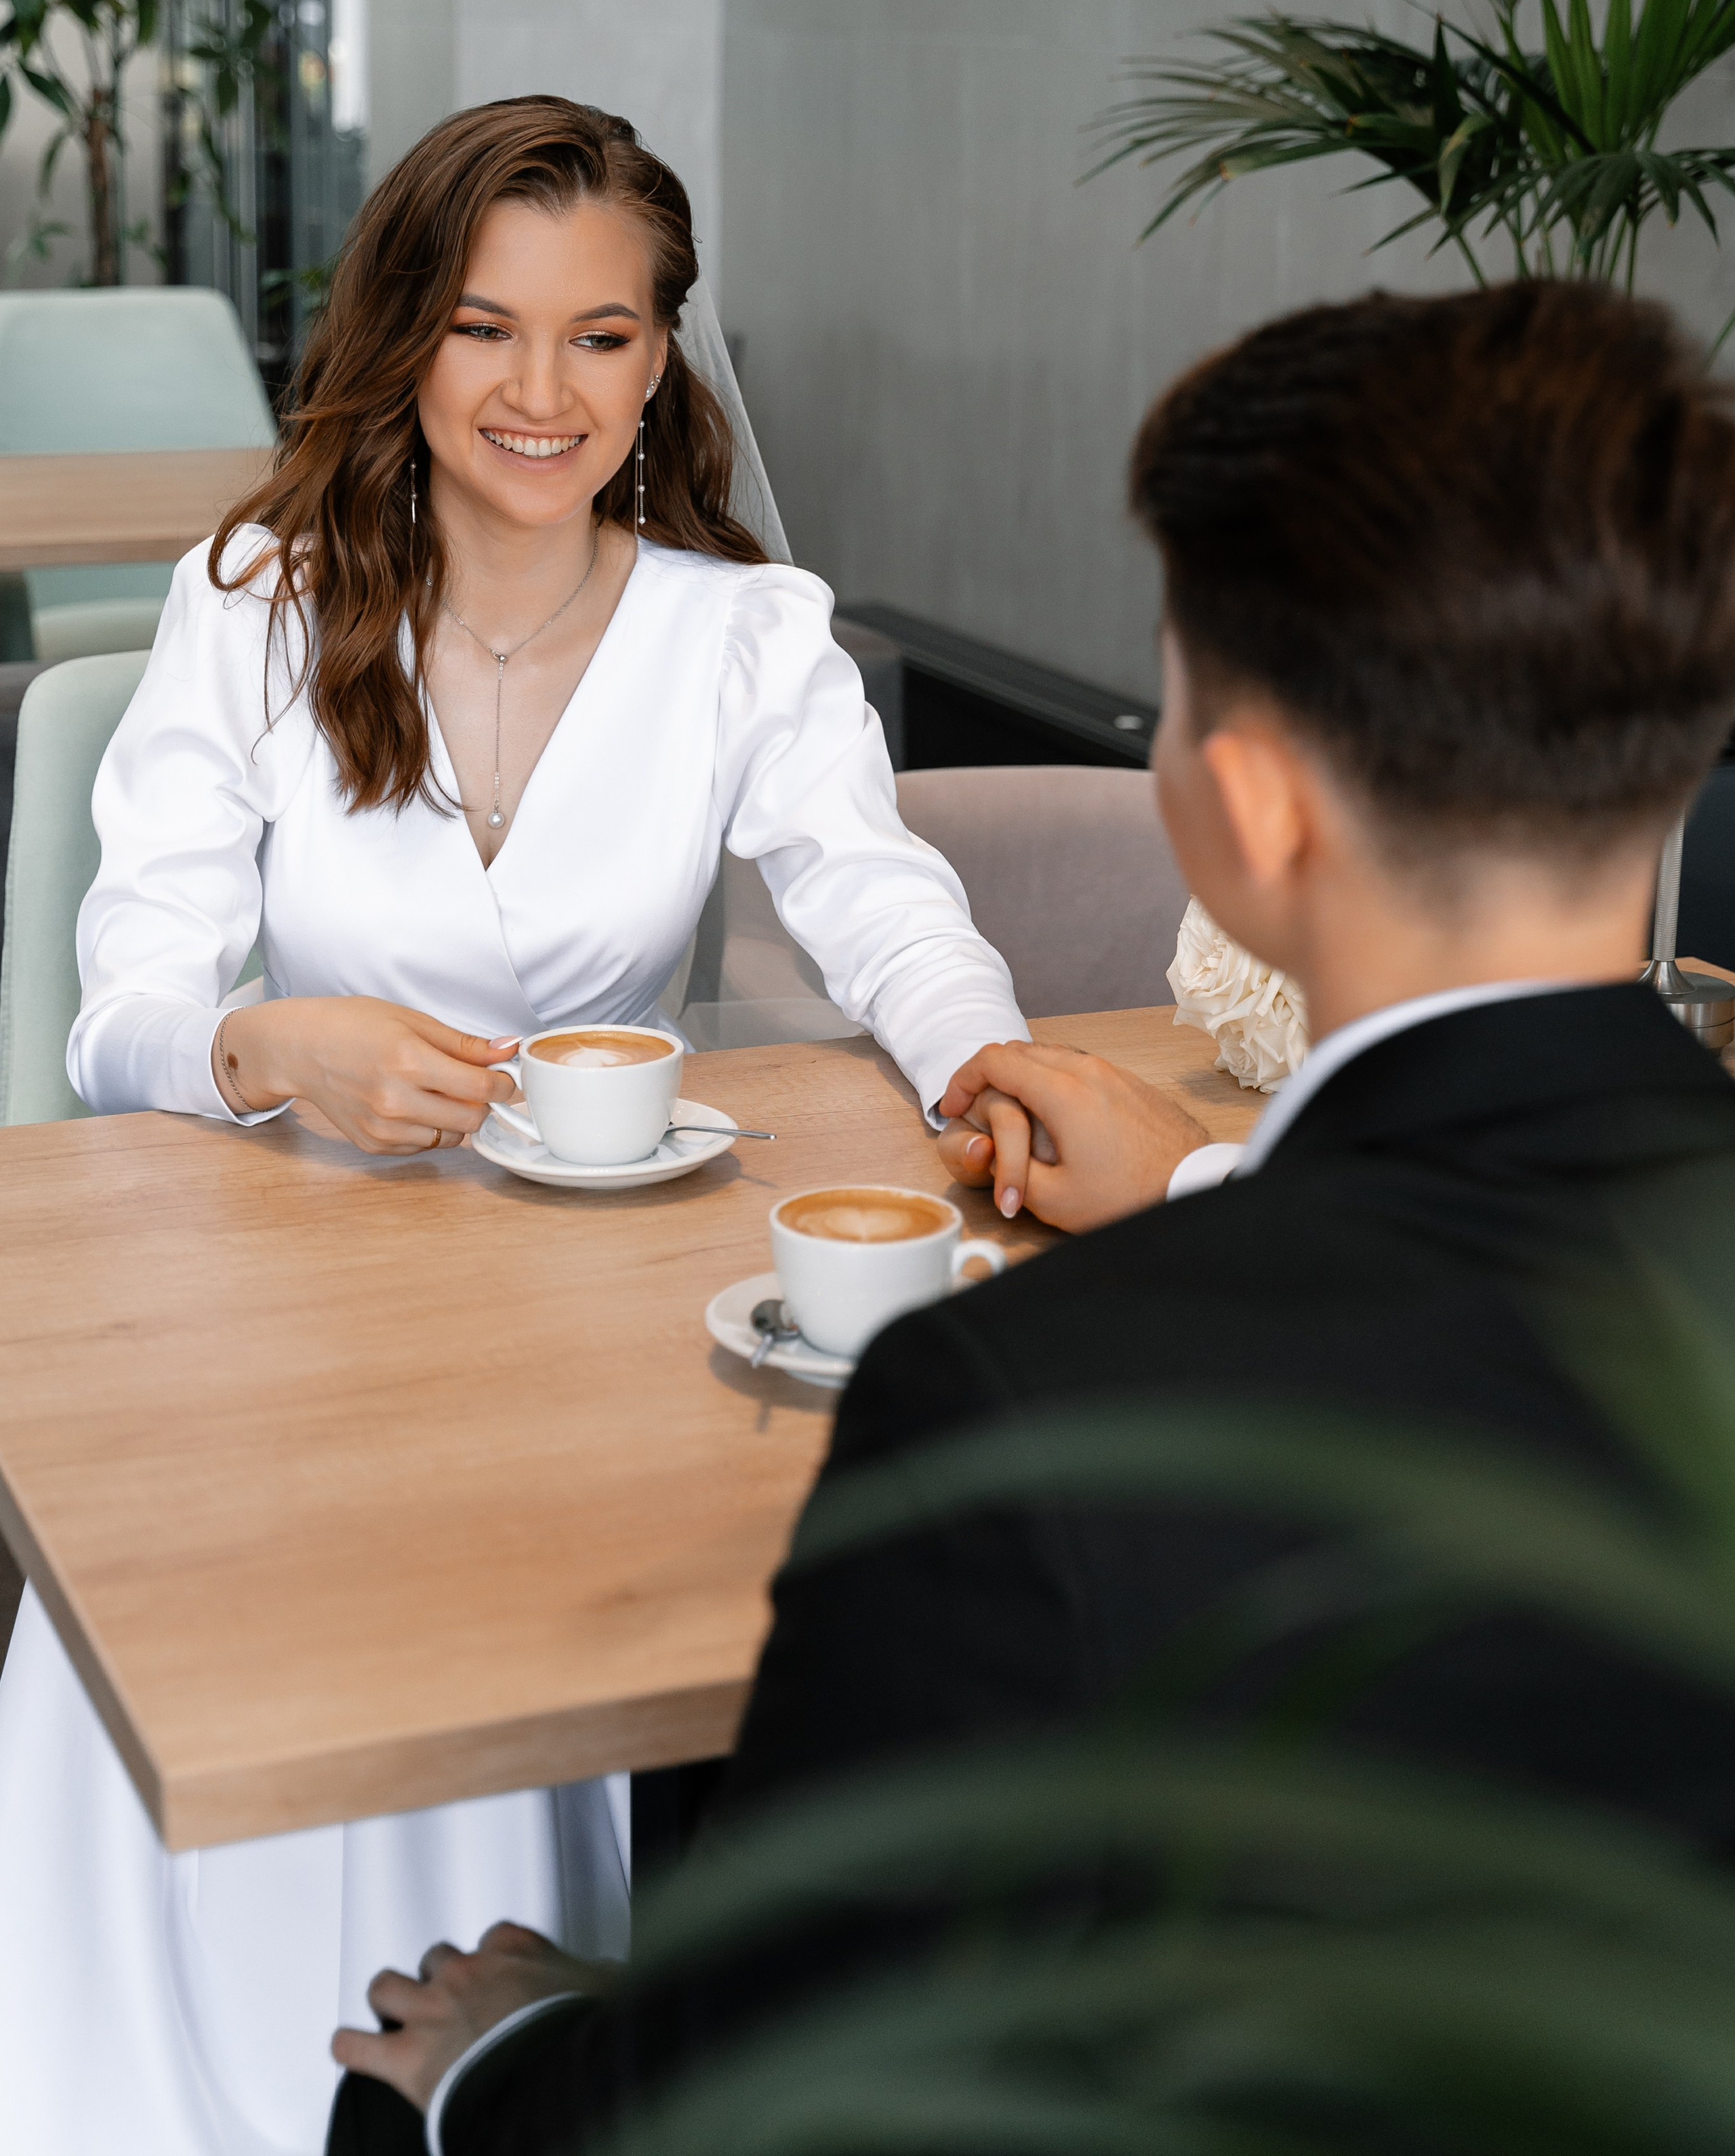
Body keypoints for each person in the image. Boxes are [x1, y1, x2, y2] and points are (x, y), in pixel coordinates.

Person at [329, 278, 1735, 2154]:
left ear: (1242, 814)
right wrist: (1220, 1181)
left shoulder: (1029, 1407)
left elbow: (773, 2107)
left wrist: (494, 2067)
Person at [0, 96, 1027, 2155]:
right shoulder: (262, 597)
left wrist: (991, 1064)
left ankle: (484, 2069)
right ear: (407, 340)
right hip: (266, 1320)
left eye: (601, 337)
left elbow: (884, 902)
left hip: (588, 1342)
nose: (541, 393)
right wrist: (269, 1050)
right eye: (488, 331)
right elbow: (126, 1011)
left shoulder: (746, 634)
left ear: (662, 361)